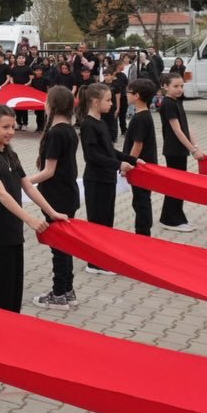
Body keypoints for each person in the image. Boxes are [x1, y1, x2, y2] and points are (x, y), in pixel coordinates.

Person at [0, 104, 67, 313]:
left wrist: (51, 212)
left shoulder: (10, 154)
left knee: (14, 288)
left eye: (13, 127)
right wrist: (30, 220)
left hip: (13, 231)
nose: (11, 132)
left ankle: (11, 329)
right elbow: (2, 194)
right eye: (5, 127)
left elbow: (27, 186)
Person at [78, 83, 139, 274]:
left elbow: (109, 151)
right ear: (95, 102)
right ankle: (94, 262)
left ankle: (103, 257)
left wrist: (133, 160)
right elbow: (92, 156)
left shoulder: (101, 122)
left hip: (106, 178)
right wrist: (118, 165)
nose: (112, 104)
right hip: (96, 180)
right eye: (108, 100)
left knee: (106, 220)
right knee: (97, 221)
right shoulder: (88, 124)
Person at [29, 86, 80, 310]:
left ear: (52, 105)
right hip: (67, 194)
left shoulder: (56, 133)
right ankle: (67, 290)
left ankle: (59, 293)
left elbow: (49, 171)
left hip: (56, 197)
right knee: (65, 246)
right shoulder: (68, 130)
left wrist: (24, 182)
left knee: (58, 247)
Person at [158, 73, 203, 232]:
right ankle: (171, 220)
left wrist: (196, 145)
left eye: (181, 86)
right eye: (175, 86)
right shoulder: (168, 104)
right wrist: (193, 150)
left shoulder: (177, 102)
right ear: (165, 86)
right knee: (175, 185)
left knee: (178, 185)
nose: (179, 89)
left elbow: (186, 126)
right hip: (173, 150)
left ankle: (174, 217)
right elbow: (177, 130)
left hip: (180, 149)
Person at [122, 78, 158, 237]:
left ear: (136, 95)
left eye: (128, 92)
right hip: (144, 165)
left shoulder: (140, 118)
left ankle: (143, 233)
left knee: (141, 200)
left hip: (141, 166)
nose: (126, 95)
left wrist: (127, 164)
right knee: (142, 199)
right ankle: (144, 230)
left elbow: (138, 145)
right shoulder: (143, 115)